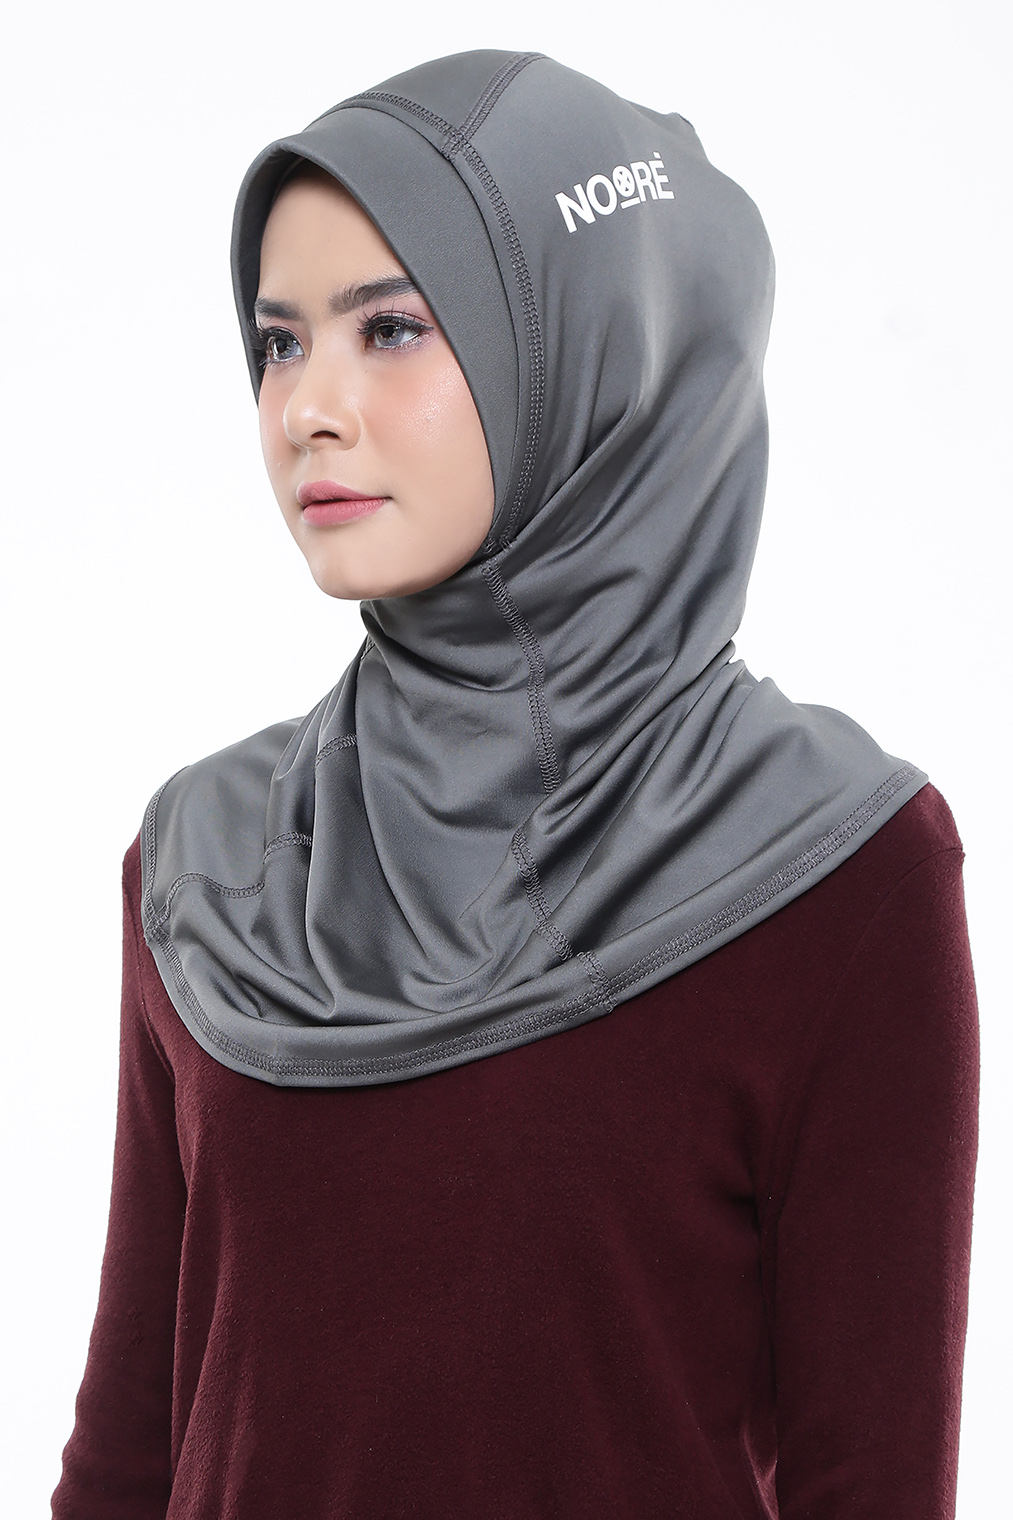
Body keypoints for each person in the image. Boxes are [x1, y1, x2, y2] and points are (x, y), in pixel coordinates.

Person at [51, 49, 979, 1519]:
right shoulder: (204, 863)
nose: (307, 409)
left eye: (392, 328)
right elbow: (125, 1457)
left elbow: (871, 1484)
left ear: (592, 344)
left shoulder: (839, 871)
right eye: (280, 341)